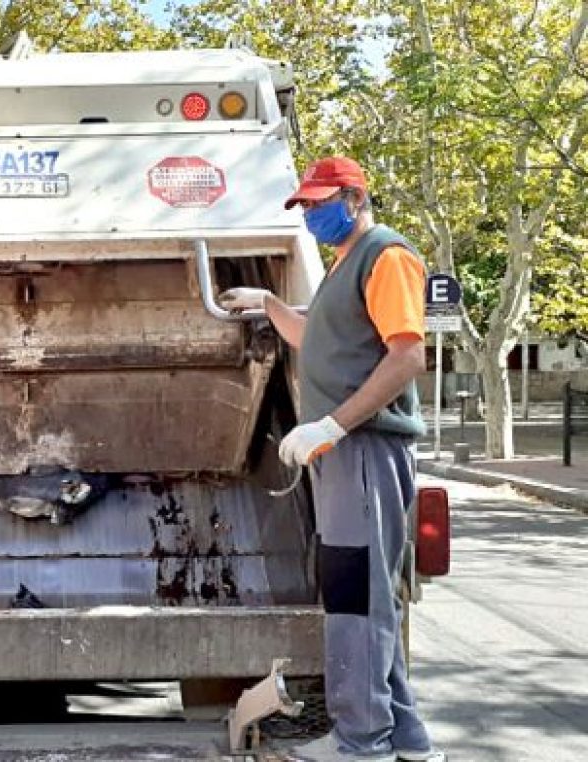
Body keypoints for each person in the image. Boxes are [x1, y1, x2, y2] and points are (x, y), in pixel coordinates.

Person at [219, 157, 443, 762]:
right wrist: (268, 302)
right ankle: (407, 739)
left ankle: (360, 743)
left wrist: (331, 425)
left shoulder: (385, 256)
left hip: (364, 450)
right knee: (365, 594)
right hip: (348, 455)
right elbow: (314, 336)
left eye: (320, 204)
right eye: (306, 208)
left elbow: (406, 357)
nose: (313, 215)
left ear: (355, 196)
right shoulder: (345, 265)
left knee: (356, 599)